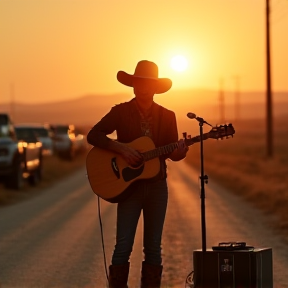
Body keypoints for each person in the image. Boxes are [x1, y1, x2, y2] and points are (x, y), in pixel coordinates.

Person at [87, 60, 188, 288]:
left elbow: (172, 153)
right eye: (139, 82)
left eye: (148, 83)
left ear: (154, 87)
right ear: (133, 85)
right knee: (123, 245)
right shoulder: (120, 112)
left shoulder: (167, 116)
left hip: (157, 186)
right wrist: (121, 148)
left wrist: (180, 152)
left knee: (153, 247)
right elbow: (93, 135)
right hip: (128, 188)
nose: (143, 87)